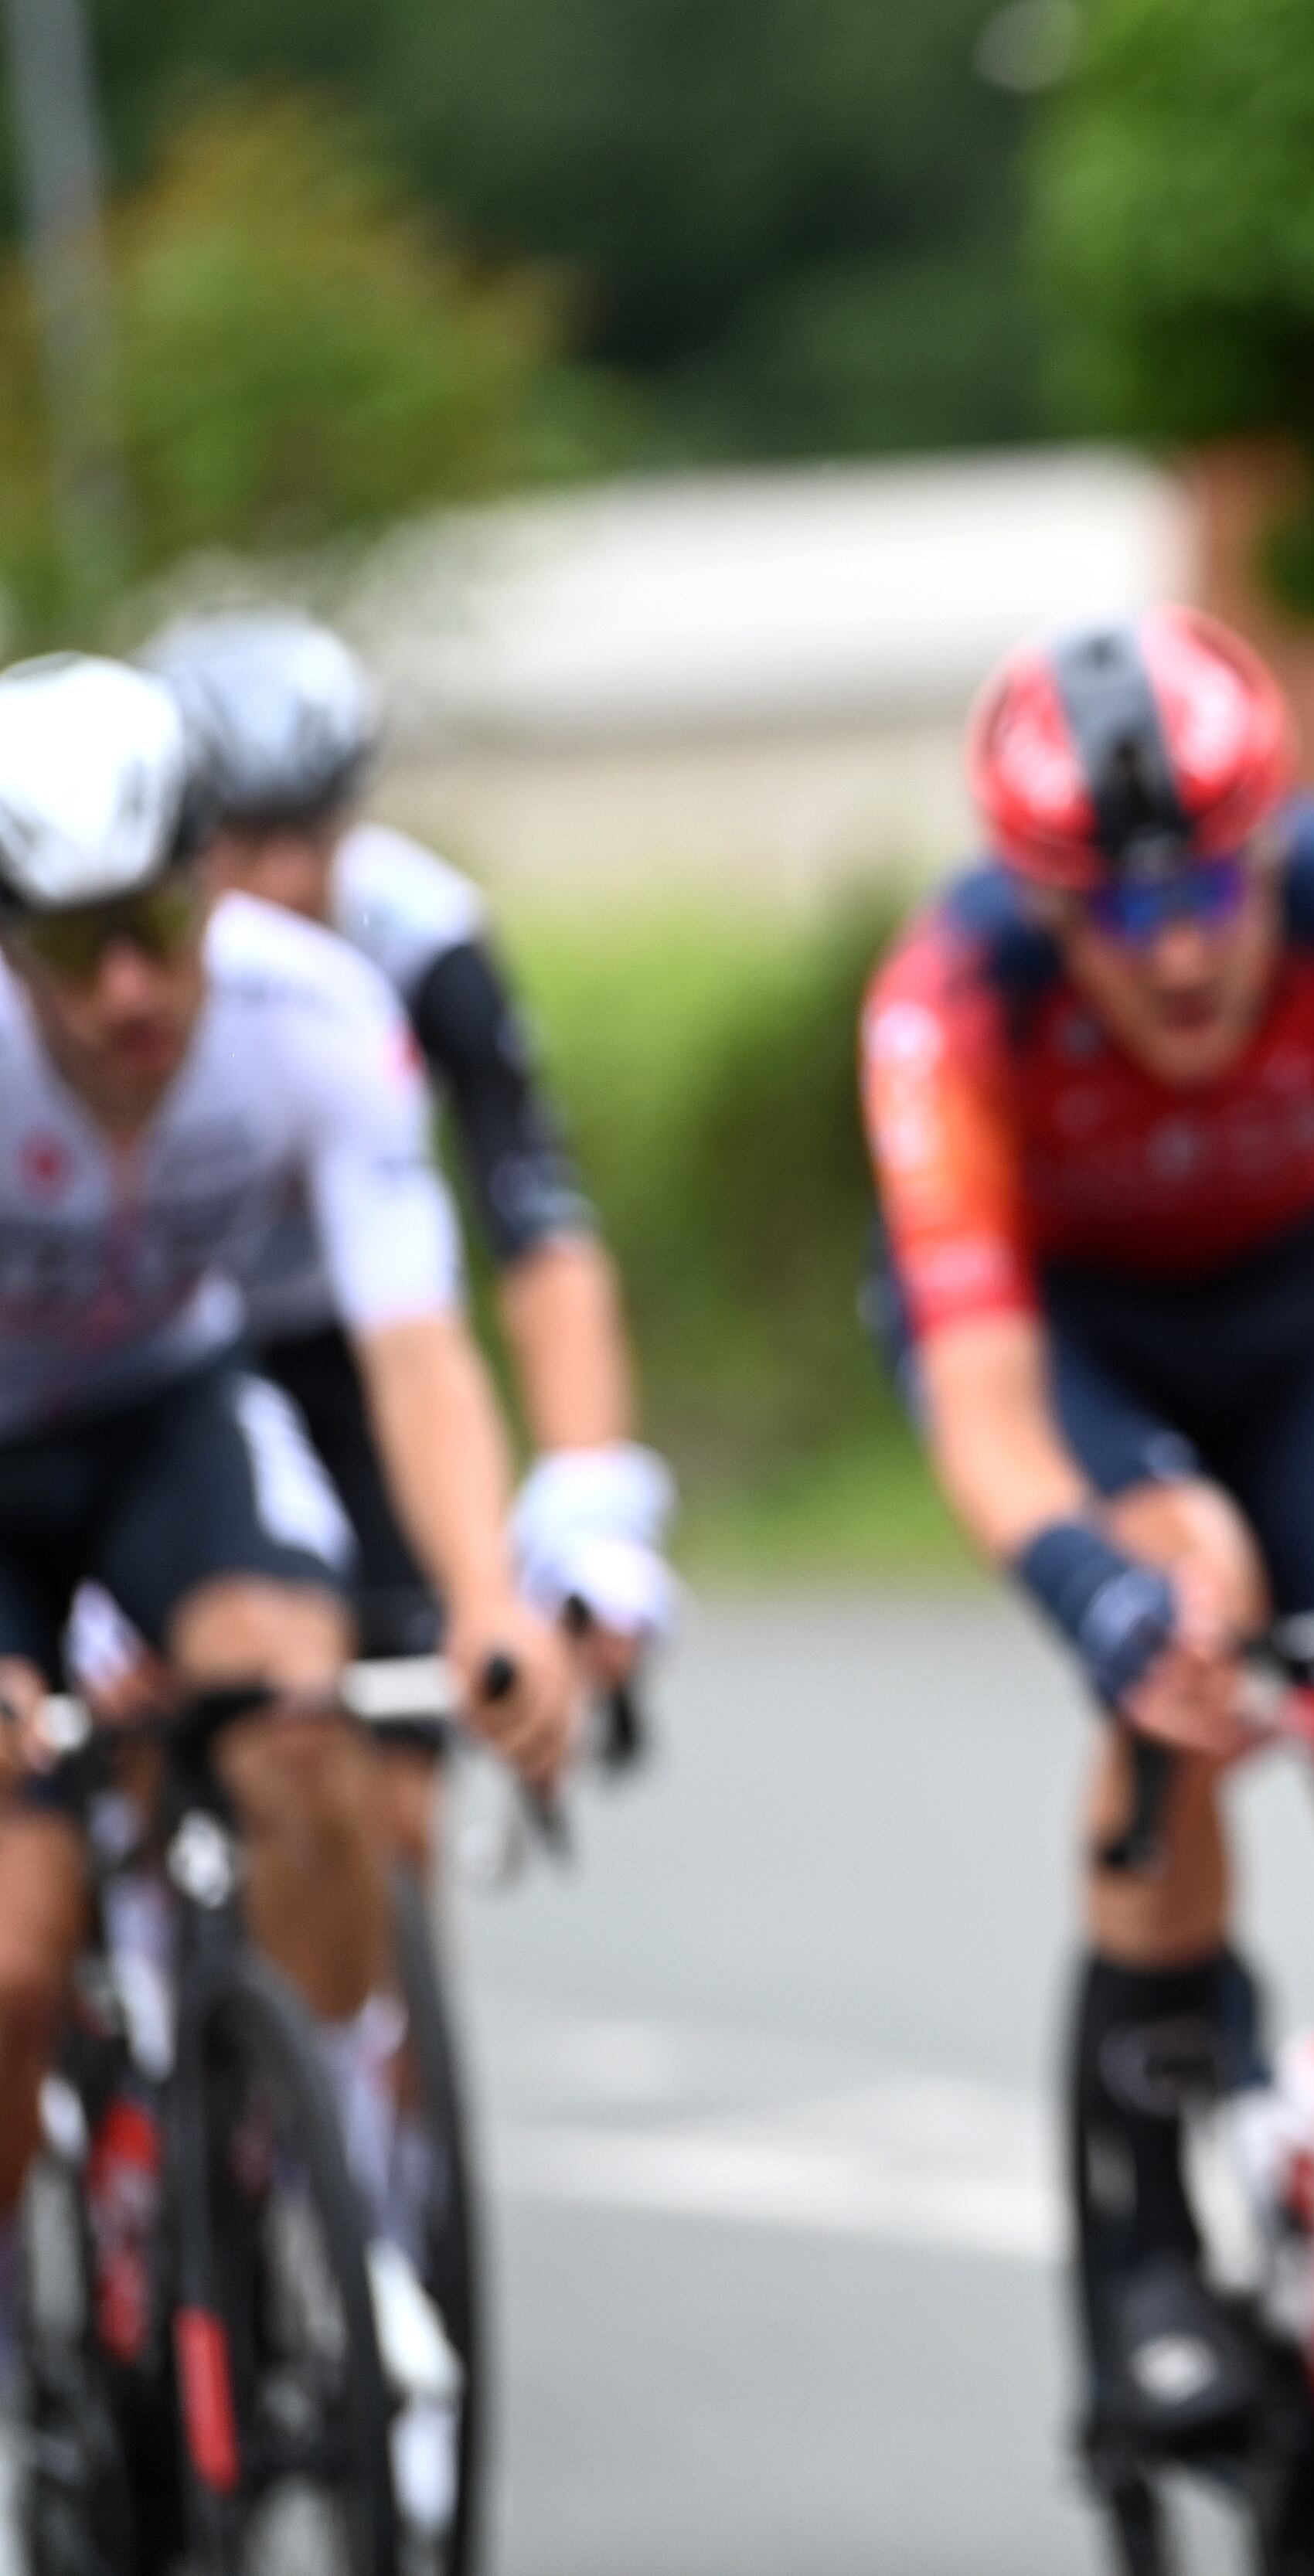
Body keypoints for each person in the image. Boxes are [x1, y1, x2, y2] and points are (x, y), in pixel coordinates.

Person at [859, 606, 1314, 2458]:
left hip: (1308, 1310)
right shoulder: (951, 993)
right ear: (1039, 902)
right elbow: (983, 1391)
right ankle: (1148, 2248)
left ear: (1269, 845)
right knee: (1178, 1611)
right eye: (1113, 909)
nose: (1173, 950)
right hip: (1076, 1339)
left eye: (1207, 890)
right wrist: (1093, 1590)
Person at [0, 652, 577, 2268]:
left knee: (302, 1717)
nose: (127, 988)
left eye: (159, 924)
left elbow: (417, 1344)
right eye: (68, 943)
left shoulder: (313, 1014)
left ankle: (340, 2192)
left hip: (162, 1411)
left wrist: (487, 1598)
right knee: (15, 1953)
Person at [143, 607, 674, 1822]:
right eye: (244, 841)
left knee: (393, 1800)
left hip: (362, 1347)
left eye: (312, 833)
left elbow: (538, 1235)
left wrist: (589, 1508)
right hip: (168, 1355)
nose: (284, 879)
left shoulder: (425, 939)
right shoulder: (117, 970)